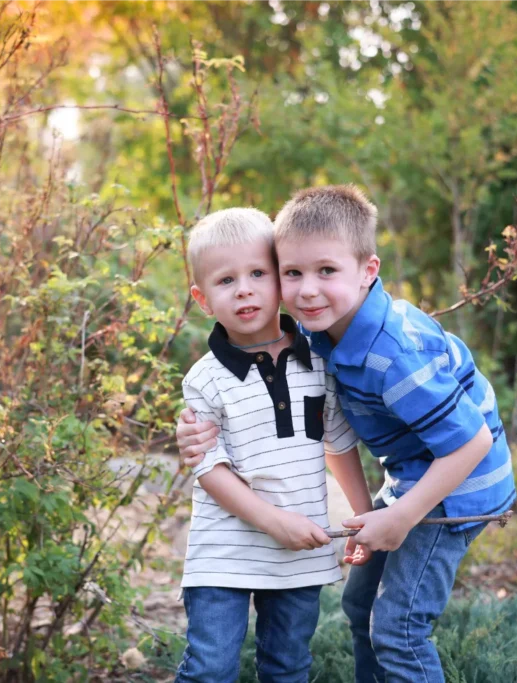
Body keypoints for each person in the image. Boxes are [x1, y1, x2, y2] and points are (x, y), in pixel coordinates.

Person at [176, 186, 516, 683]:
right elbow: (323, 429)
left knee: (398, 628)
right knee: (360, 608)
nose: (308, 290)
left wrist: (398, 517)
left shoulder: (392, 352)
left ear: (368, 271)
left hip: (461, 484)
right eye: (293, 273)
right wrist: (371, 514)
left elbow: (472, 442)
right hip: (413, 474)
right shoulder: (316, 331)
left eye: (326, 271)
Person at [174, 207, 375, 683]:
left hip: (299, 554)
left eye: (258, 274)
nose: (244, 289)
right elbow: (209, 469)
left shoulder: (318, 356)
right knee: (210, 667)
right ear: (202, 299)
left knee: (287, 667)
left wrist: (361, 516)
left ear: (281, 281)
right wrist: (273, 522)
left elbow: (339, 444)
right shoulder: (204, 379)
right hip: (224, 553)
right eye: (226, 281)